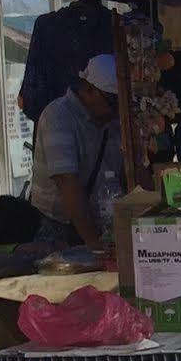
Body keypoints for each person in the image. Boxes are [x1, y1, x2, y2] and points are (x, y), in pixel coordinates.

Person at [27, 54, 124, 248]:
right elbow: (67, 182)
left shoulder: (113, 123)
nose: (116, 112)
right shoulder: (58, 116)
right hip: (58, 226)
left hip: (101, 221)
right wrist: (94, 242)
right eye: (112, 103)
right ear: (89, 89)